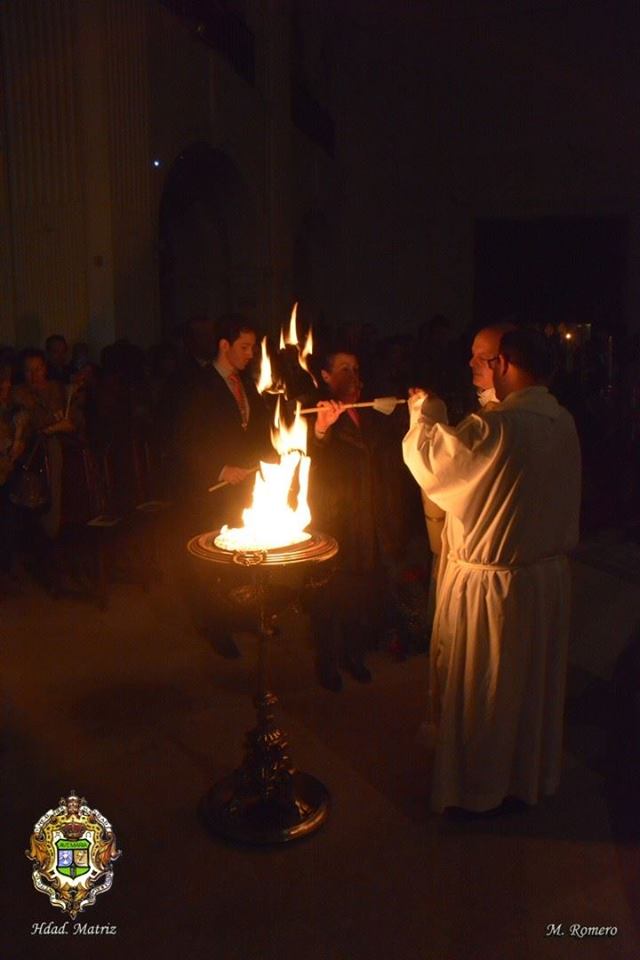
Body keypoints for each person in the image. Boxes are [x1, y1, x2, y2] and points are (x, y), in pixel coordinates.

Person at [402, 327, 581, 815]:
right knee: (527, 690)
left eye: (479, 359)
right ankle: (522, 776)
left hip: (493, 590)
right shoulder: (560, 420)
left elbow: (435, 461)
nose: (472, 367)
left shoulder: (497, 428)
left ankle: (477, 787)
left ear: (502, 363)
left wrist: (425, 412)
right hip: (542, 583)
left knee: (488, 693)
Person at [169, 314, 272, 657]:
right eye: (245, 347)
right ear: (224, 345)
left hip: (244, 488)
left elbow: (256, 430)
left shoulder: (247, 385)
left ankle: (243, 613)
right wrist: (219, 468)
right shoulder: (197, 386)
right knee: (212, 559)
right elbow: (183, 439)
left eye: (253, 347)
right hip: (209, 491)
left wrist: (270, 455)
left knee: (243, 555)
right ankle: (216, 625)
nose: (251, 354)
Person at [308, 346, 398, 690]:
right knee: (330, 596)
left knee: (362, 593)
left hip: (369, 516)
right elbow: (309, 455)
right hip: (337, 519)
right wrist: (321, 430)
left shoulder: (370, 412)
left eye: (356, 368)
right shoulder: (317, 410)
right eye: (344, 368)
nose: (353, 376)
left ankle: (354, 655)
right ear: (326, 376)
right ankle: (328, 661)